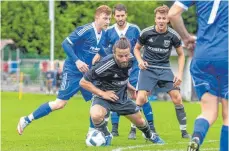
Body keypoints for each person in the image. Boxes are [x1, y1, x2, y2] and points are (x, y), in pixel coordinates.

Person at [17, 5, 112, 135]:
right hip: (72, 71)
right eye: (105, 18)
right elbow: (65, 44)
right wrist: (77, 61)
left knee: (97, 99)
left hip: (87, 74)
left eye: (109, 19)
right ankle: (27, 119)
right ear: (97, 17)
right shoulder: (85, 30)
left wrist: (112, 59)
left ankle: (92, 131)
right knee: (60, 104)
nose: (107, 22)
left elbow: (100, 49)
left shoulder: (104, 34)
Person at [80, 37, 164, 146]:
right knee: (95, 115)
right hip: (103, 98)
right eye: (120, 56)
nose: (124, 59)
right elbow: (83, 82)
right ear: (114, 53)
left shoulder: (132, 59)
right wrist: (103, 94)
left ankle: (150, 135)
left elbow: (122, 76)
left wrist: (128, 86)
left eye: (126, 55)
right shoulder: (105, 64)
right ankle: (106, 134)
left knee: (141, 122)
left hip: (122, 98)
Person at [168, 1, 228, 151]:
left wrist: (186, 37)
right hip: (226, 57)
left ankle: (196, 138)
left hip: (202, 56)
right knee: (227, 116)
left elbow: (173, 14)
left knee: (208, 112)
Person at [93, 3, 157, 140]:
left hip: (133, 69)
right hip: (115, 72)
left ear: (126, 15)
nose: (120, 18)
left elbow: (141, 47)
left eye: (122, 15)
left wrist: (141, 61)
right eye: (117, 16)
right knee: (115, 96)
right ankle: (115, 129)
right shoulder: (109, 31)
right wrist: (97, 56)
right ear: (114, 16)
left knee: (140, 96)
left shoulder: (134, 29)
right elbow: (102, 48)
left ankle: (150, 127)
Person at [134, 5, 190, 139]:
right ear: (155, 19)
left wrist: (180, 74)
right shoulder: (146, 33)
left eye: (164, 18)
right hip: (148, 69)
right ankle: (135, 129)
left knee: (177, 97)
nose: (161, 21)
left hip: (165, 69)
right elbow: (136, 49)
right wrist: (140, 61)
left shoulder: (173, 35)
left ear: (167, 20)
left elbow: (181, 55)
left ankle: (184, 131)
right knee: (141, 98)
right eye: (159, 18)